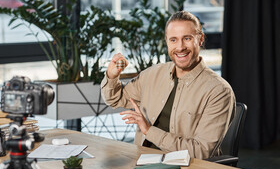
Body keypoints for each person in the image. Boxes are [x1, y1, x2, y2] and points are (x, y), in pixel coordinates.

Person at [101, 11, 235, 159]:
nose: (180, 47)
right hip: (141, 163)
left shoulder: (218, 91)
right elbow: (115, 99)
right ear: (166, 41)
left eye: (187, 38)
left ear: (200, 39)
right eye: (173, 40)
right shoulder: (152, 75)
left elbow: (201, 152)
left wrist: (149, 131)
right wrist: (112, 76)